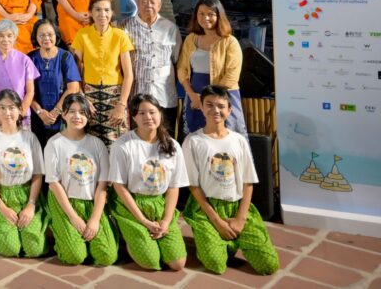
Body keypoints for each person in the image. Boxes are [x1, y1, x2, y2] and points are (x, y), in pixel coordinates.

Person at [182, 86, 279, 276]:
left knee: (269, 265)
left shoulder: (238, 140)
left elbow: (248, 182)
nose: (215, 110)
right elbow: (193, 186)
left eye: (221, 106)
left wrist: (241, 218)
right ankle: (220, 239)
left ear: (229, 110)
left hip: (237, 206)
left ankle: (231, 239)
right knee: (215, 264)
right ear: (201, 107)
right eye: (209, 105)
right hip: (206, 208)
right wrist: (217, 221)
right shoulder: (192, 141)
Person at [109, 94, 188, 272]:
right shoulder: (122, 145)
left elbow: (173, 187)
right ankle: (127, 233)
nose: (148, 117)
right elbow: (119, 186)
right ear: (133, 117)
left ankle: (154, 234)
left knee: (177, 264)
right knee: (150, 261)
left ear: (160, 114)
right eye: (141, 113)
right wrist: (143, 220)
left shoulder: (173, 146)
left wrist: (166, 220)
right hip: (131, 204)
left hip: (159, 204)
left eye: (152, 112)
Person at [43, 93, 117, 267]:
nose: (77, 116)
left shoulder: (97, 144)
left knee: (106, 257)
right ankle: (66, 236)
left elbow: (102, 186)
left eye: (82, 112)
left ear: (88, 116)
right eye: (72, 111)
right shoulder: (54, 143)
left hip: (92, 202)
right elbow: (54, 183)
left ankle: (101, 234)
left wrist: (95, 219)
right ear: (63, 115)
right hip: (64, 202)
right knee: (74, 256)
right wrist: (74, 218)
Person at [0, 89, 48, 258]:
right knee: (9, 249)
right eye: (2, 108)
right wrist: (2, 207)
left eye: (11, 108)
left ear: (20, 110)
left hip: (27, 194)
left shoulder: (30, 138)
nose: (7, 113)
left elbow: (38, 175)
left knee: (34, 249)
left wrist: (31, 205)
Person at [177, 0, 247, 136]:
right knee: (196, 137)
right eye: (201, 14)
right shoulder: (190, 39)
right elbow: (182, 69)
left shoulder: (230, 42)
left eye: (211, 14)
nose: (205, 18)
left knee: (224, 137)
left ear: (219, 16)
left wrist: (207, 98)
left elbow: (232, 75)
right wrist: (193, 95)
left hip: (222, 95)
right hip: (195, 95)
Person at [72, 0, 135, 146]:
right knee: (89, 144)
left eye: (106, 10)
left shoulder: (120, 35)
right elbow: (74, 73)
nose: (102, 14)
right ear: (90, 12)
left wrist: (121, 105)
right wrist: (82, 98)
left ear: (112, 13)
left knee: (116, 145)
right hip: (89, 97)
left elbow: (129, 75)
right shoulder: (82, 35)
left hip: (115, 97)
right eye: (98, 10)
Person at [123, 0, 182, 132]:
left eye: (152, 2)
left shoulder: (170, 28)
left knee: (165, 139)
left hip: (164, 97)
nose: (148, 5)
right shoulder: (124, 27)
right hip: (137, 97)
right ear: (137, 3)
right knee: (138, 139)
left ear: (159, 5)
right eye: (144, 1)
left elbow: (177, 60)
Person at [29, 22, 82, 146]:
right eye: (41, 35)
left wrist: (55, 112)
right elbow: (26, 90)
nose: (46, 38)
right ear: (35, 37)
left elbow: (73, 88)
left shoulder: (66, 57)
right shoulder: (30, 58)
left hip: (62, 117)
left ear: (56, 35)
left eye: (50, 34)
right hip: (37, 118)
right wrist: (40, 112)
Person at [0, 20, 39, 131]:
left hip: (20, 116)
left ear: (15, 37)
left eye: (9, 35)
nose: (5, 39)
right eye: (1, 36)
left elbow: (30, 91)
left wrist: (20, 113)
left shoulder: (25, 60)